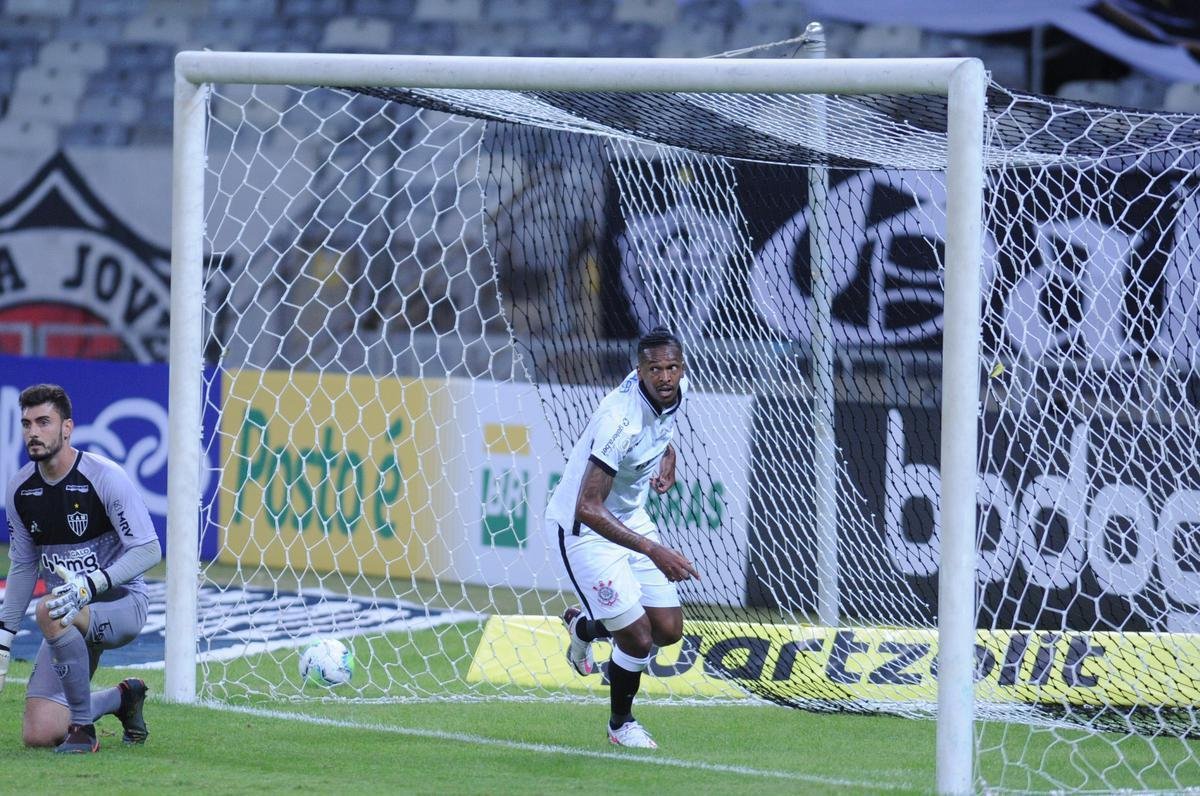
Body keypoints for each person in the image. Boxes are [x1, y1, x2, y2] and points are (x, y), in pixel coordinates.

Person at [548, 327, 700, 750]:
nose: (666, 377)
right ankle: (621, 725)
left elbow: (662, 432)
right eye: (656, 370)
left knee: (667, 630)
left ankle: (584, 626)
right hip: (584, 531)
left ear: (681, 367)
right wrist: (653, 549)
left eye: (672, 367)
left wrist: (668, 457)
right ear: (640, 371)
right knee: (636, 636)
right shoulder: (619, 420)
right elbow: (588, 506)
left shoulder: (677, 390)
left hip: (630, 517)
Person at [0, 384, 162, 753]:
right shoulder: (20, 490)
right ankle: (123, 699)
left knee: (48, 609)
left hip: (121, 603)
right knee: (39, 733)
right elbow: (24, 565)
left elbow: (149, 549)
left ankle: (84, 733)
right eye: (26, 424)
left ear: (67, 428)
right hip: (68, 613)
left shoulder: (104, 476)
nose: (33, 432)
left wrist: (92, 585)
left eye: (44, 422)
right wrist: (3, 638)